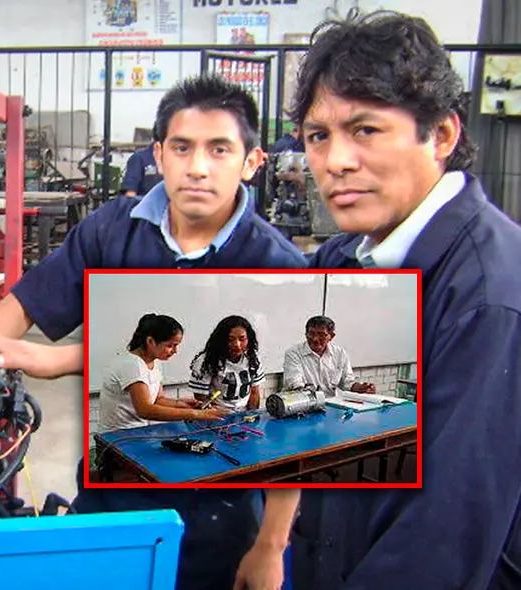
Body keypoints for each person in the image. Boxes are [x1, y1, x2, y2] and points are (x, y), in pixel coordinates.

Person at [0, 75, 308, 590]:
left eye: (219, 149)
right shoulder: (112, 228)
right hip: (111, 492)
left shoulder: (277, 265)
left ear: (251, 162)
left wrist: (270, 546)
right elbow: (23, 307)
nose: (198, 166)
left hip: (219, 514)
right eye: (182, 147)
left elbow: (293, 434)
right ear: (158, 154)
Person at [289, 10, 521, 589]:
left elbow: (442, 537)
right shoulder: (345, 262)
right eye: (319, 136)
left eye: (365, 130)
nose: (336, 161)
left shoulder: (489, 295)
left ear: (442, 134)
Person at [98, 314, 228, 432]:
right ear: (150, 341)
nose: (175, 351)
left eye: (176, 345)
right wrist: (195, 414)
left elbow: (158, 400)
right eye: (170, 345)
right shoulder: (131, 365)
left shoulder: (154, 362)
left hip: (137, 431)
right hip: (116, 436)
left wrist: (182, 404)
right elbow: (145, 410)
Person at [281, 316, 375, 396]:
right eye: (311, 333)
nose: (315, 339)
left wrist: (360, 388)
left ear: (331, 336)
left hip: (330, 406)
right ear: (306, 334)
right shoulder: (294, 353)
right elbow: (294, 382)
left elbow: (347, 382)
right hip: (300, 404)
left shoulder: (340, 354)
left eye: (322, 335)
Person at [188, 315, 265, 411]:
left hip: (243, 414)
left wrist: (251, 416)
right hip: (217, 415)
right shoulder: (206, 361)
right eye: (230, 339)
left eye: (242, 339)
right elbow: (200, 398)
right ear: (221, 340)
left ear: (249, 339)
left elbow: (254, 392)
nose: (237, 344)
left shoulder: (253, 358)